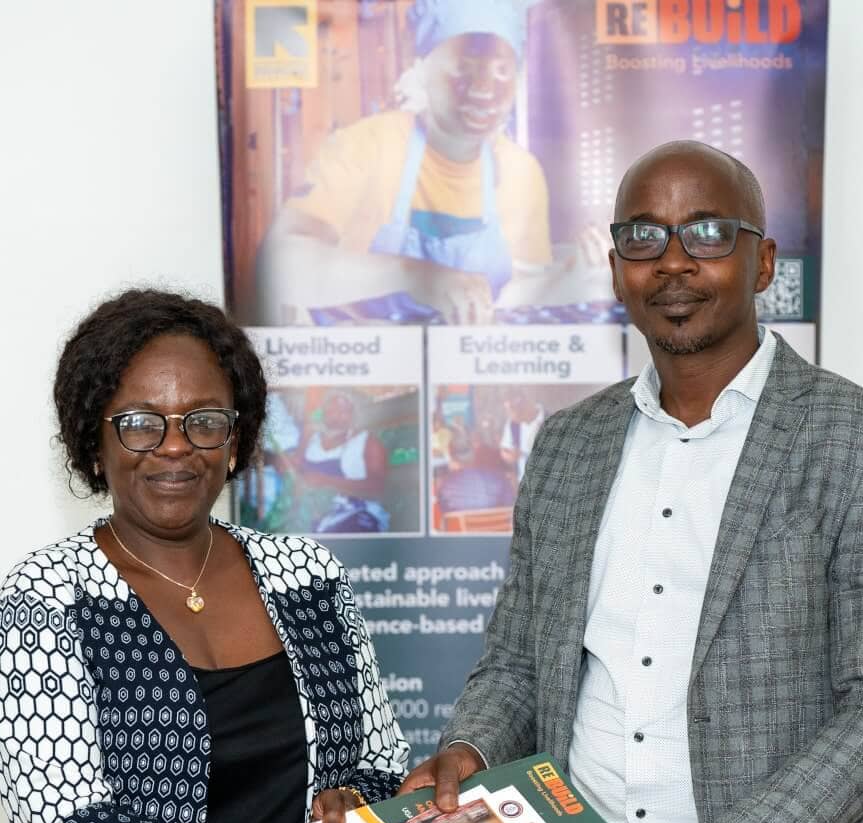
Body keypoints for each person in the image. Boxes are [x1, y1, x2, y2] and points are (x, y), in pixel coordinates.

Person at [401, 142, 863, 823]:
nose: (674, 262)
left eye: (707, 234)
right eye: (645, 237)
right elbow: (517, 664)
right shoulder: (569, 446)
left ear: (764, 261)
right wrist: (470, 752)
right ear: (616, 268)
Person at [0, 289, 410, 823]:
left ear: (235, 442)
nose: (175, 446)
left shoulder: (308, 578)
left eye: (204, 420)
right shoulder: (45, 601)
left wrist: (352, 799)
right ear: (92, 441)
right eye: (141, 422)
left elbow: (376, 756)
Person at [254, 0, 608, 325]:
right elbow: (282, 266)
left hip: (475, 376)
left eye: (502, 70)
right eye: (464, 67)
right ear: (424, 66)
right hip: (359, 380)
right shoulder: (367, 146)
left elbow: (514, 298)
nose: (484, 88)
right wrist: (415, 276)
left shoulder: (519, 171)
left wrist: (570, 282)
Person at [281, 390, 391, 534]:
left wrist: (326, 481)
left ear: (355, 414)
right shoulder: (312, 439)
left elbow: (378, 487)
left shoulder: (367, 442)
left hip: (356, 513)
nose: (336, 415)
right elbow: (295, 469)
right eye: (331, 409)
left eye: (343, 410)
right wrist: (304, 440)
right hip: (310, 513)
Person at [496, 392, 545, 481]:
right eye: (507, 410)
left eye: (512, 409)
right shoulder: (512, 423)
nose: (510, 414)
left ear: (526, 405)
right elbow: (504, 450)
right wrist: (509, 456)